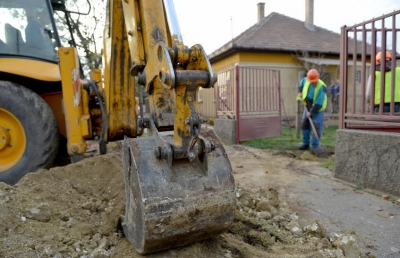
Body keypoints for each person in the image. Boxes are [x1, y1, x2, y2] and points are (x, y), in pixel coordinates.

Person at [297, 69, 328, 151]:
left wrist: (311, 112)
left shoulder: (321, 87)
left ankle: (315, 146)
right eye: (312, 81)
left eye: (315, 81)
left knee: (316, 127)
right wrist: (300, 92)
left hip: (318, 109)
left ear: (318, 78)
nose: (313, 83)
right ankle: (305, 144)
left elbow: (319, 103)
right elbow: (301, 84)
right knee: (305, 125)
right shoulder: (305, 80)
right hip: (307, 106)